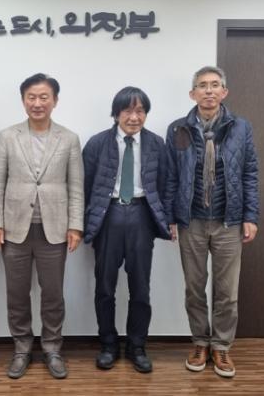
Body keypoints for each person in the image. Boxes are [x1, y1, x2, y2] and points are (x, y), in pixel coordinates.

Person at [0, 73, 84, 380]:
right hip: (14, 229)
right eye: (32, 97)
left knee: (53, 294)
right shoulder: (8, 136)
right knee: (17, 294)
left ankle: (52, 348)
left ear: (55, 100)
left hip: (54, 229)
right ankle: (21, 348)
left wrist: (75, 226)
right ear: (23, 100)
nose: (37, 103)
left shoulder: (69, 138)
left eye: (44, 97)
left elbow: (76, 186)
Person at [164, 65, 259, 378]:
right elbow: (171, 176)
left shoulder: (241, 128)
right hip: (191, 220)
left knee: (226, 292)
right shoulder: (178, 129)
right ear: (193, 94)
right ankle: (200, 343)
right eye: (202, 85)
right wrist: (171, 217)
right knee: (194, 289)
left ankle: (221, 346)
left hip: (228, 221)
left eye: (215, 85)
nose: (209, 90)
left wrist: (250, 216)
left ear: (224, 92)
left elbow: (249, 173)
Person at [82, 87, 170, 373]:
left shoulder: (156, 144)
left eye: (140, 111)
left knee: (141, 287)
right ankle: (108, 344)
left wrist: (167, 219)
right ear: (116, 113)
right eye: (128, 111)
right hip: (108, 216)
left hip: (142, 216)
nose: (134, 117)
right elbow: (84, 187)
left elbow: (165, 184)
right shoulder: (97, 143)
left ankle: (137, 346)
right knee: (105, 287)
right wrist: (84, 223)